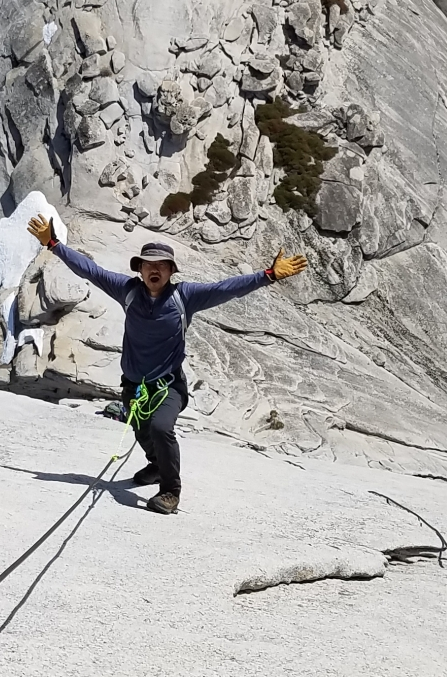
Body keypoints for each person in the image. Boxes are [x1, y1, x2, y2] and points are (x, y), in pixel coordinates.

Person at [26, 216, 307, 514]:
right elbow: (90, 270)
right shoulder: (128, 290)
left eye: (161, 265)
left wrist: (268, 275)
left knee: (160, 428)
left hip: (168, 385)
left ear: (171, 270)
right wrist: (53, 244)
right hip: (133, 385)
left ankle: (170, 490)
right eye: (149, 264)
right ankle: (158, 465)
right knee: (140, 429)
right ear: (140, 269)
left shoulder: (185, 297)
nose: (154, 269)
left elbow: (228, 288)